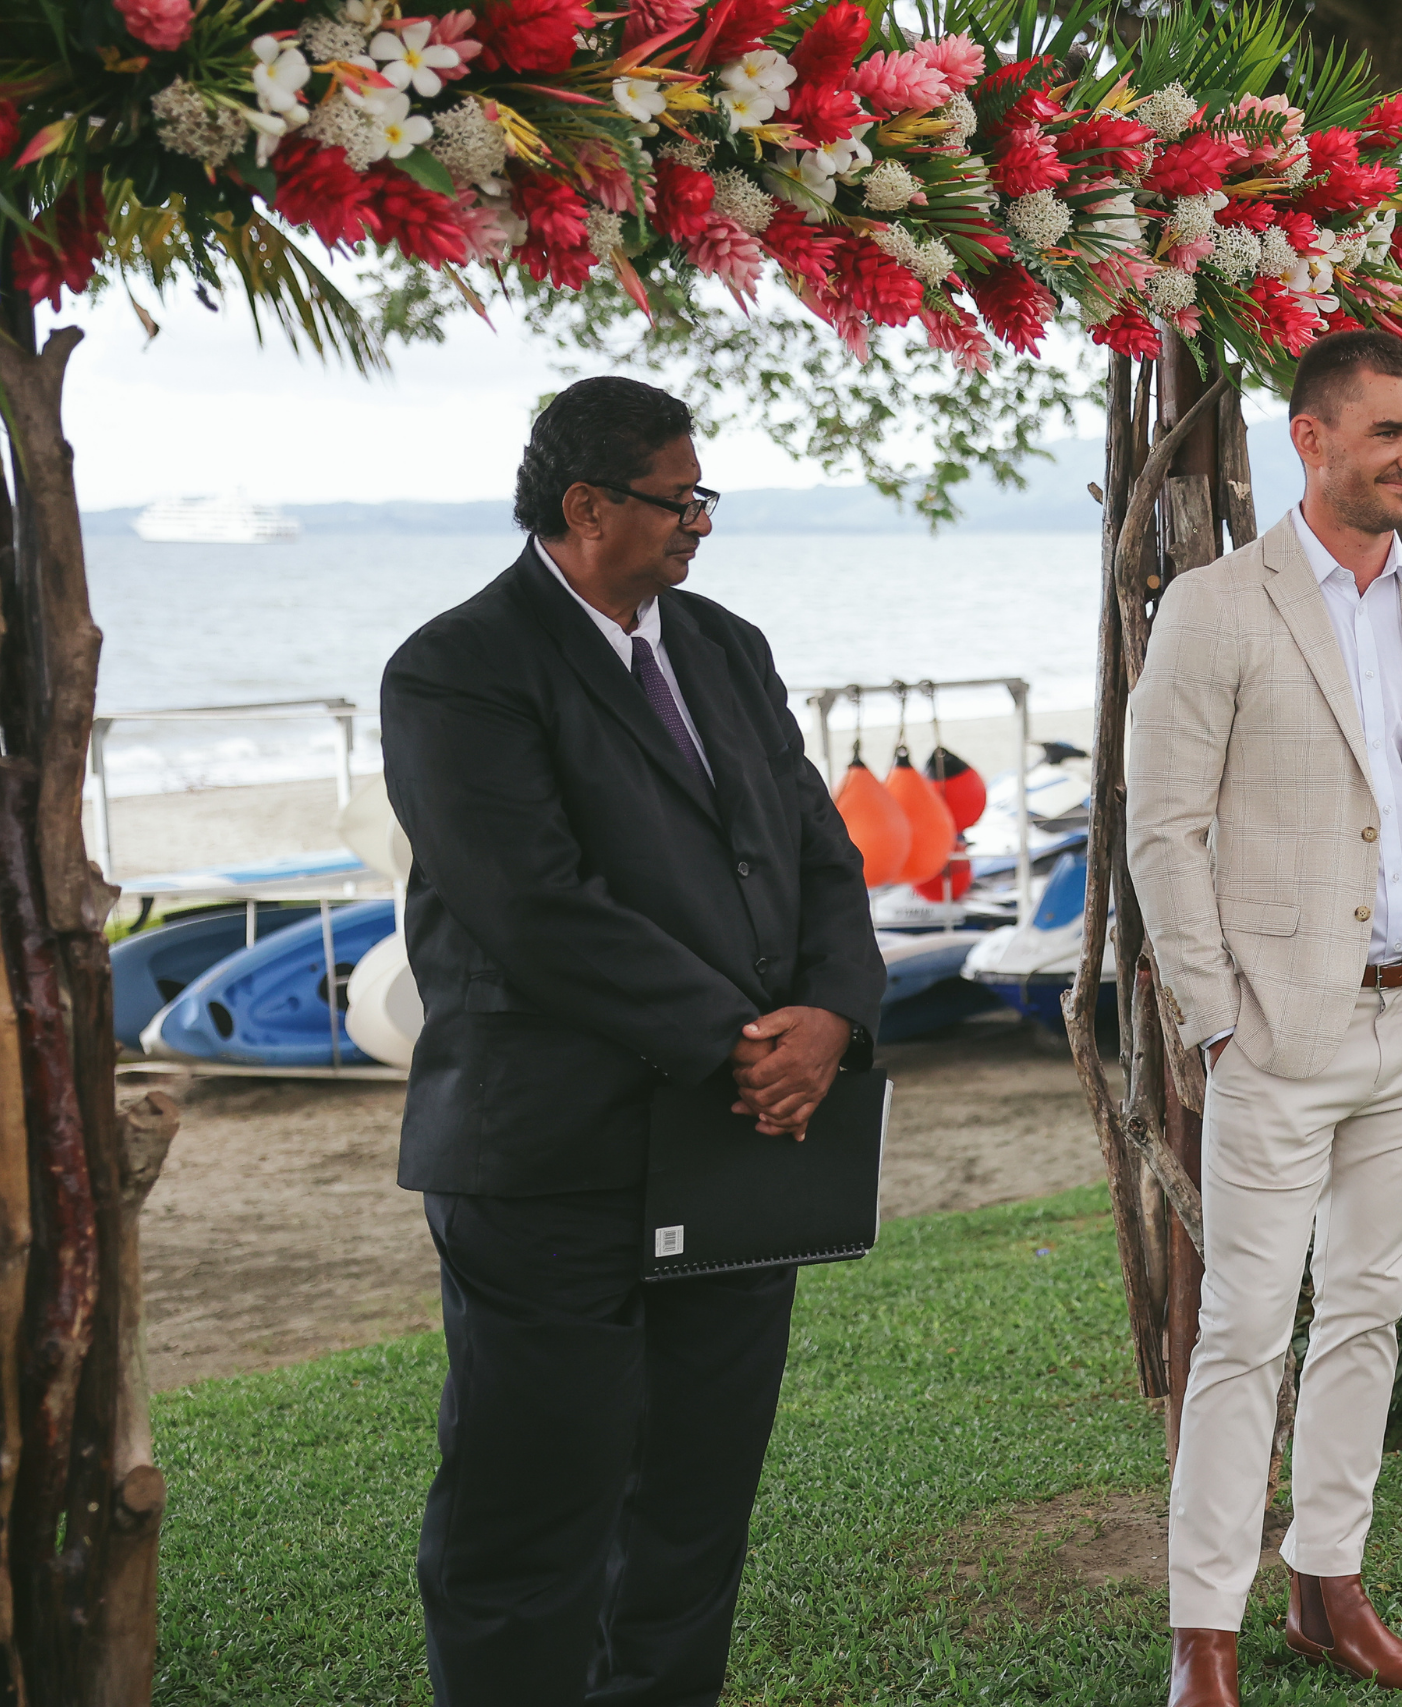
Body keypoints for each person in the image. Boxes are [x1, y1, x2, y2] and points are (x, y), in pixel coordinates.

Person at [381, 376, 884, 1706]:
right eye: (681, 497)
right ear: (586, 504)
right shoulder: (457, 668)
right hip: (547, 1159)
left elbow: (818, 856)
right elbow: (536, 907)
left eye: (703, 497)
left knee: (695, 1507)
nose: (701, 525)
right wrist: (738, 1037)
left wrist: (830, 1015)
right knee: (531, 1510)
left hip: (735, 1149)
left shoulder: (726, 646)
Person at [1126, 330, 1402, 1706]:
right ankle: (1201, 1635)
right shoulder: (1218, 606)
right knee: (1242, 1326)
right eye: (1390, 433)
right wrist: (1215, 1020)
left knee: (1368, 1309)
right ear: (1312, 436)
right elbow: (1162, 831)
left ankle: (1328, 1588)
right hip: (1279, 1036)